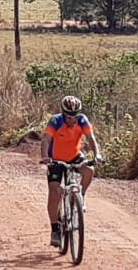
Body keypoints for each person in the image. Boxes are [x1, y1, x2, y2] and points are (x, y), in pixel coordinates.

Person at [39, 96, 103, 248]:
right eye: (68, 116)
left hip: (74, 156)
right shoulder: (55, 121)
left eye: (74, 116)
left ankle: (81, 197)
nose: (72, 119)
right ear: (63, 114)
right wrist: (45, 157)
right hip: (56, 159)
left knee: (89, 170)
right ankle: (55, 229)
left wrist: (97, 154)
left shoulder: (82, 120)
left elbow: (91, 138)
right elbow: (45, 140)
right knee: (54, 192)